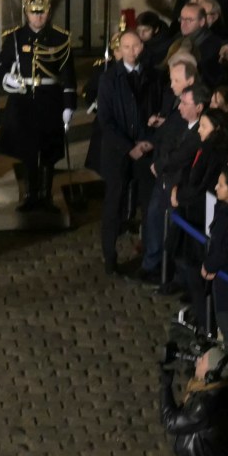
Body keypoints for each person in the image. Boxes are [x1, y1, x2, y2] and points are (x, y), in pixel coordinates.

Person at [0, 0, 74, 210]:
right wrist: (7, 78)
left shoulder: (60, 38)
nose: (38, 16)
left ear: (48, 13)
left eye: (42, 12)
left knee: (49, 149)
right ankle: (31, 194)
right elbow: (1, 65)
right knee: (27, 149)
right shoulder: (14, 37)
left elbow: (68, 75)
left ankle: (46, 194)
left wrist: (68, 106)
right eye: (34, 12)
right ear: (26, 13)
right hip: (23, 98)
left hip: (50, 98)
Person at [94, 25, 155, 275]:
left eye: (136, 46)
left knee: (148, 204)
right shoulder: (108, 79)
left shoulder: (152, 76)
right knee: (113, 205)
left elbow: (157, 112)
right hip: (118, 151)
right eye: (126, 47)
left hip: (144, 149)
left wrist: (148, 141)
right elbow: (105, 119)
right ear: (119, 49)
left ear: (142, 47)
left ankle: (150, 259)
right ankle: (110, 256)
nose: (131, 51)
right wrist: (128, 146)